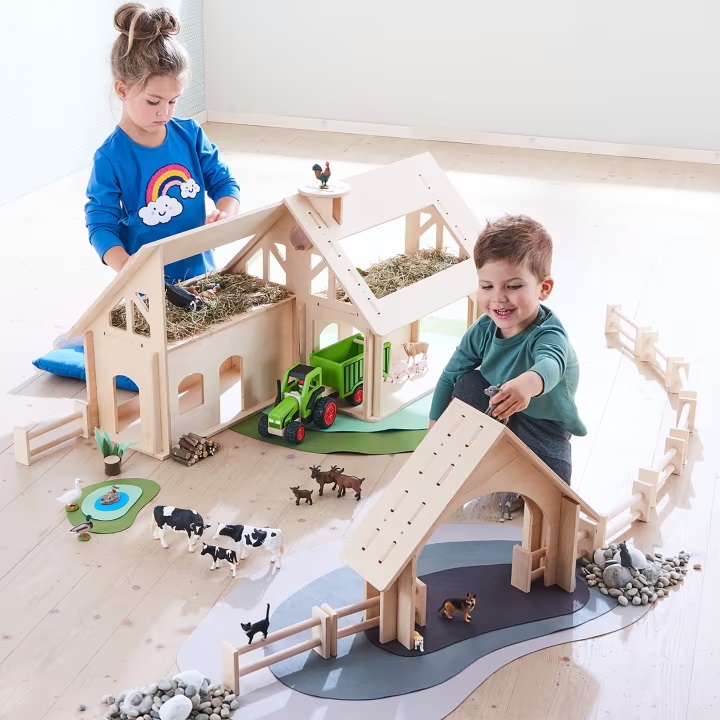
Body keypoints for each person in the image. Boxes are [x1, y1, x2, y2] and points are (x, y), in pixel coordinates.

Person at [85, 2, 241, 285]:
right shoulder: (110, 157)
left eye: (172, 101)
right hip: (149, 284)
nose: (164, 112)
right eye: (153, 102)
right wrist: (127, 266)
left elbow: (224, 182)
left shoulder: (190, 134)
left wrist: (225, 214)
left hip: (202, 275)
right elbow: (101, 223)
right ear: (122, 89)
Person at [428, 215, 586, 485]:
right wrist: (434, 432)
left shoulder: (549, 333)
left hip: (543, 425)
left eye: (513, 286)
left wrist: (528, 384)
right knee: (467, 383)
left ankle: (512, 473)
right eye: (487, 287)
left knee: (555, 483)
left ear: (544, 288)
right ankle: (477, 458)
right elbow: (449, 377)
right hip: (497, 407)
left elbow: (551, 364)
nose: (498, 298)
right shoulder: (483, 329)